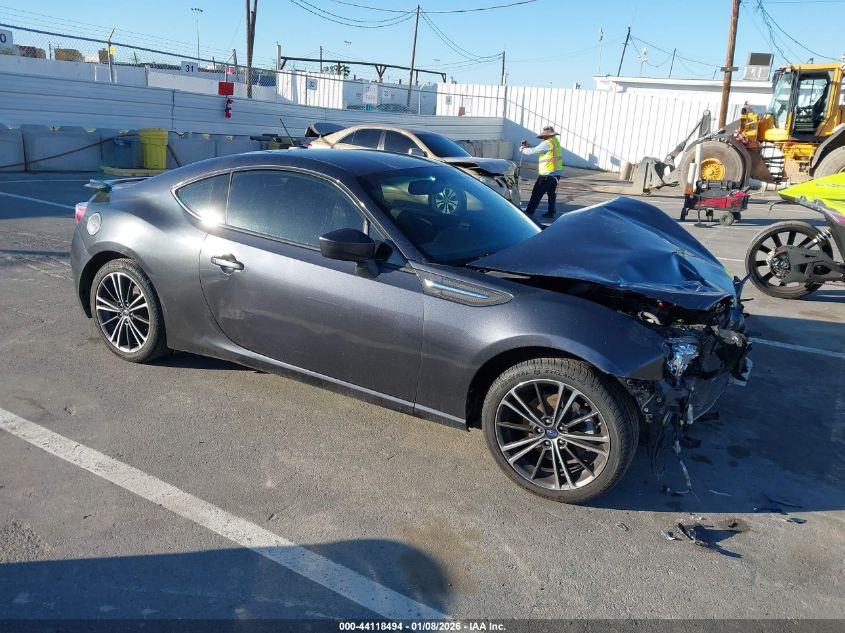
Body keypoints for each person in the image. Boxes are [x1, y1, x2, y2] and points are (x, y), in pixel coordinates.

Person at [519, 126, 563, 218]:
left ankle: (529, 212)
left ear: (546, 135)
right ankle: (551, 212)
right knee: (551, 193)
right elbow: (540, 149)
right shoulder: (555, 141)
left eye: (544, 136)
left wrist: (523, 149)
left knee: (536, 193)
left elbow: (532, 151)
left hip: (547, 174)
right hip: (556, 173)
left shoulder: (547, 143)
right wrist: (529, 145)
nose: (543, 138)